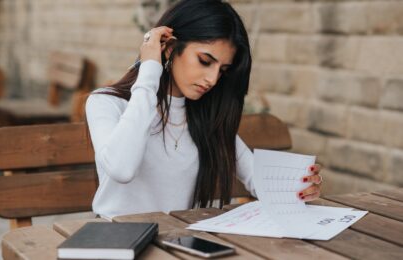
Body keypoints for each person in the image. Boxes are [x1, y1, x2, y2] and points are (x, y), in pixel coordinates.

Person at [85, 0, 322, 220]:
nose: (212, 79)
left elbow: (258, 180)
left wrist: (300, 186)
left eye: (223, 70)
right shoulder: (105, 103)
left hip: (177, 242)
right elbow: (121, 169)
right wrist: (149, 70)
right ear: (168, 48)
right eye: (205, 61)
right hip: (117, 241)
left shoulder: (206, 117)